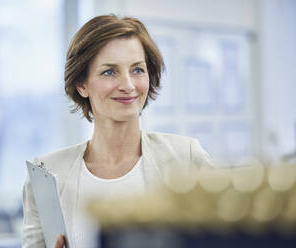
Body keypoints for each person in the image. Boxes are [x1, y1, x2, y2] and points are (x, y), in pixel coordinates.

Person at [22, 15, 213, 248]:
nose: (128, 85)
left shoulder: (187, 158)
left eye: (137, 70)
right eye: (109, 72)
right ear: (82, 84)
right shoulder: (47, 174)